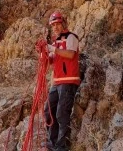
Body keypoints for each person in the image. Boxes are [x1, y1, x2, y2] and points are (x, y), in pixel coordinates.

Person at [44, 11, 80, 151]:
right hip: (57, 81)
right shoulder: (56, 41)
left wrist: (53, 48)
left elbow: (70, 54)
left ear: (63, 23)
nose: (55, 27)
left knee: (61, 113)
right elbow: (52, 60)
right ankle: (52, 142)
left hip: (69, 80)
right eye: (53, 25)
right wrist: (45, 54)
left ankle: (61, 146)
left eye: (57, 24)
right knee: (48, 111)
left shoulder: (71, 37)